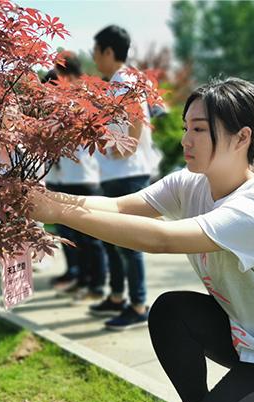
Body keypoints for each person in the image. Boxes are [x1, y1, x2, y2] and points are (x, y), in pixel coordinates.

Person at [28, 78, 254, 402]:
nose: (185, 140)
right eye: (186, 127)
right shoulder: (190, 183)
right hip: (244, 330)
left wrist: (56, 212)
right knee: (170, 312)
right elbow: (118, 207)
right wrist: (44, 200)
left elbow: (162, 239)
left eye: (200, 129)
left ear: (242, 137)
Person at [88, 25, 159, 330]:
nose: (94, 58)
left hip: (129, 174)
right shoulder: (115, 82)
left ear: (108, 51)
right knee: (112, 238)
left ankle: (139, 304)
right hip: (116, 174)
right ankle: (117, 297)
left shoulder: (126, 80)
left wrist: (124, 150)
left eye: (96, 51)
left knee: (129, 244)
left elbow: (136, 119)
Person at [43, 56, 108, 303]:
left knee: (89, 235)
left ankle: (97, 283)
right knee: (67, 233)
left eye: (58, 76)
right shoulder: (53, 106)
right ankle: (78, 276)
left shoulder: (83, 103)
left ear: (69, 76)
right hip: (59, 177)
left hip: (83, 176)